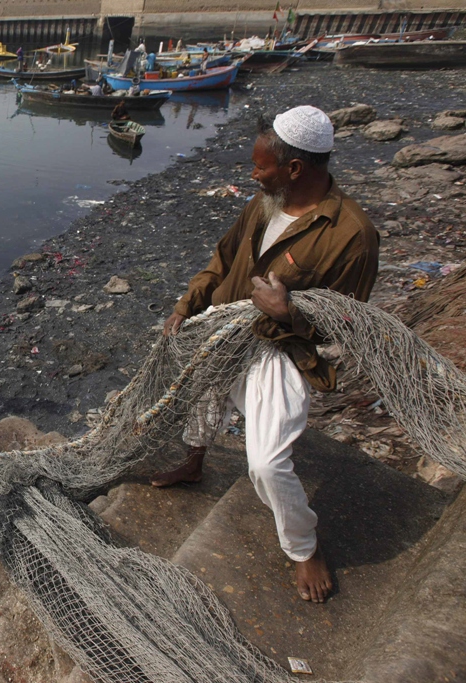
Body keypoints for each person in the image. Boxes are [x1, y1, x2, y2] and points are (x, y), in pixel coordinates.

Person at [154, 106, 379, 604]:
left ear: (294, 168)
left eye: (260, 166)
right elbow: (224, 258)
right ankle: (195, 460)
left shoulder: (353, 235)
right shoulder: (264, 204)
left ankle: (303, 548)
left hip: (280, 348)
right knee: (202, 390)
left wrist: (288, 310)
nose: (253, 174)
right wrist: (187, 305)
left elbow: (347, 325)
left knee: (267, 464)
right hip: (228, 327)